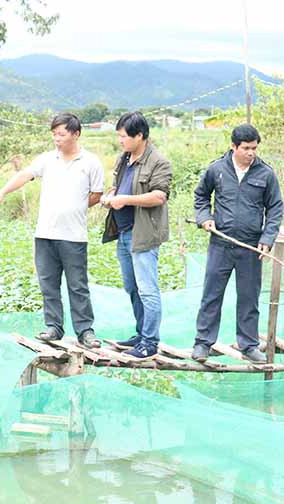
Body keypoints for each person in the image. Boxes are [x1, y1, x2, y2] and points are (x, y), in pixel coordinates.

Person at [0, 113, 104, 349]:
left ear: (76, 134)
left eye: (62, 134)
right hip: (45, 235)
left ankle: (85, 331)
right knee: (48, 284)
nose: (57, 139)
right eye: (54, 134)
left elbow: (96, 195)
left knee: (77, 285)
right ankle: (53, 327)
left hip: (74, 236)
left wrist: (75, 208)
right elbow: (24, 175)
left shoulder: (91, 162)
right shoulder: (47, 160)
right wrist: (2, 191)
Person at [190, 124, 284, 363]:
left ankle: (249, 345)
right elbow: (201, 196)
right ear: (233, 146)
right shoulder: (216, 169)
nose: (251, 153)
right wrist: (205, 218)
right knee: (212, 295)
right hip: (221, 243)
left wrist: (267, 238)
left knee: (249, 297)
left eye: (254, 148)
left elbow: (275, 208)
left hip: (250, 247)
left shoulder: (265, 174)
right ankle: (203, 343)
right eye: (246, 148)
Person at [101, 111, 173, 359]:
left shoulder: (158, 162)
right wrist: (111, 196)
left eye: (123, 136)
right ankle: (141, 332)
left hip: (142, 233)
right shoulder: (124, 159)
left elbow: (159, 196)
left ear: (139, 135)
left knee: (147, 289)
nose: (120, 140)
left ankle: (150, 341)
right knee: (131, 287)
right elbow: (118, 184)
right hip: (122, 232)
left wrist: (125, 199)